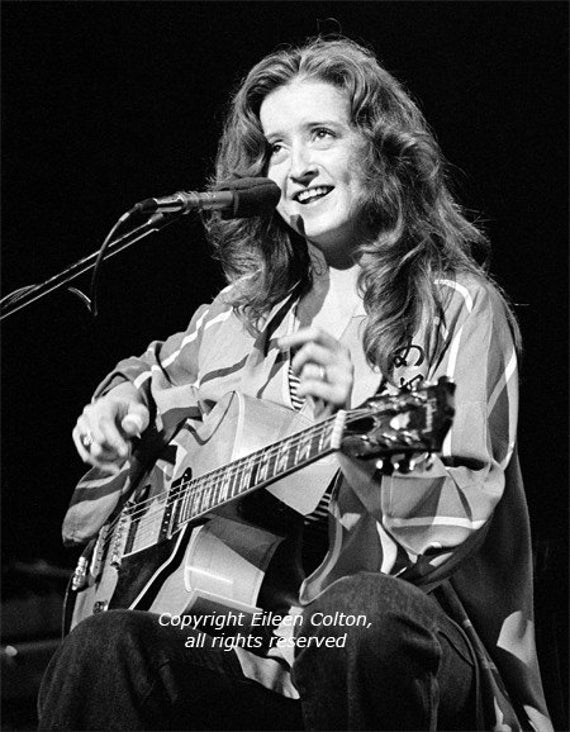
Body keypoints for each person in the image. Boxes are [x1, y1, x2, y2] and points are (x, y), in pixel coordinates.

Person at [38, 36, 552, 731]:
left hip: (397, 651)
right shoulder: (240, 317)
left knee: (361, 612)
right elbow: (143, 381)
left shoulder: (456, 310)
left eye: (322, 135)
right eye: (277, 147)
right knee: (104, 647)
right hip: (253, 652)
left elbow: (459, 514)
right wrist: (118, 412)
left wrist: (360, 421)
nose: (297, 166)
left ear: (381, 149)